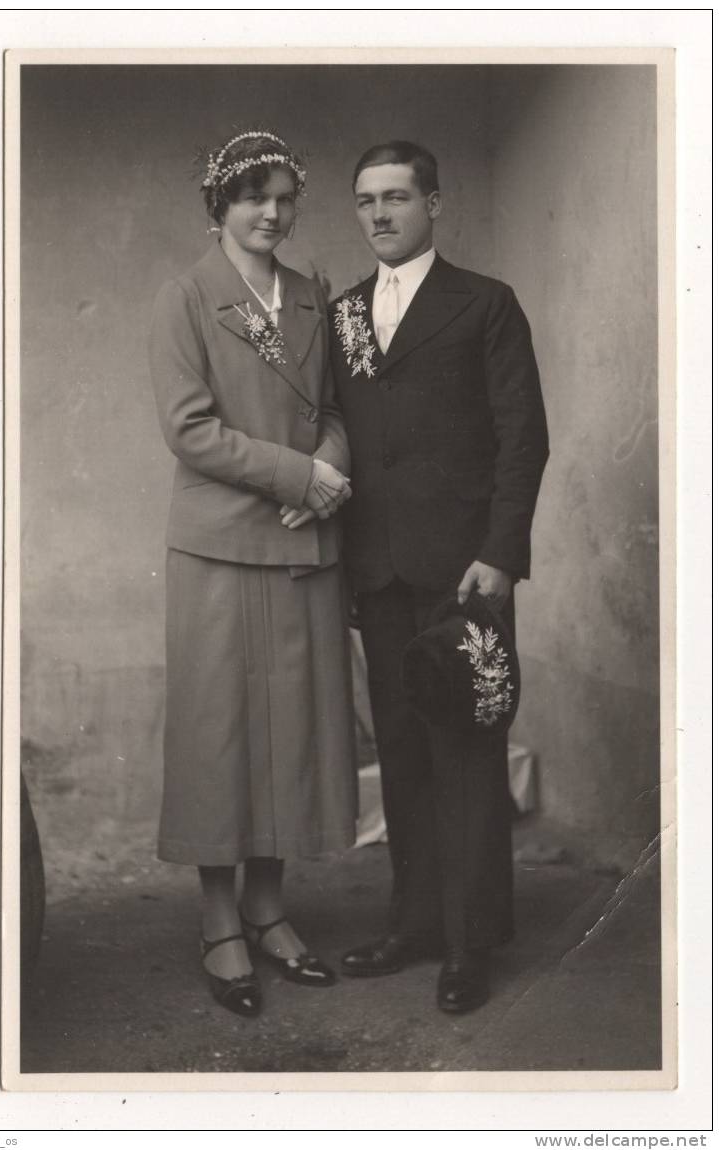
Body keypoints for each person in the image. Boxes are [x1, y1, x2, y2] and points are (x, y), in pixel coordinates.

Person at [325, 140, 549, 1015]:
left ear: (433, 204)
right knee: (406, 755)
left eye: (395, 197)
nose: (379, 214)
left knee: (466, 753)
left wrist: (499, 553)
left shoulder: (484, 304)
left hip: (464, 573)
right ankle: (413, 924)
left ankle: (469, 944)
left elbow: (521, 436)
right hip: (379, 572)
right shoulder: (344, 315)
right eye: (365, 200)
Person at [148, 129, 358, 1018]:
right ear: (217, 208)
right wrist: (294, 476)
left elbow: (339, 413)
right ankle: (220, 921)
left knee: (290, 734)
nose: (269, 214)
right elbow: (189, 430)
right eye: (250, 199)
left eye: (281, 198)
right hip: (220, 546)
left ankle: (271, 912)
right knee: (220, 734)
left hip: (302, 538)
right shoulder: (185, 298)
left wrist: (328, 477)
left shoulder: (313, 296)